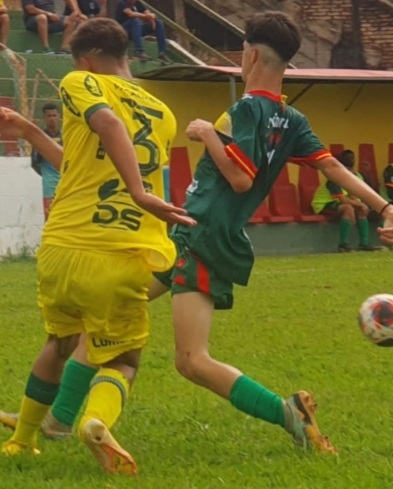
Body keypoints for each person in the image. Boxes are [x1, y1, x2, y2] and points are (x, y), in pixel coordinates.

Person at [3, 10, 393, 458]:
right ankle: (55, 421)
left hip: (201, 239)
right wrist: (384, 206)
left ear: (248, 55)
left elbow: (241, 178)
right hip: (190, 238)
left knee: (191, 361)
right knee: (105, 317)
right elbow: (331, 165)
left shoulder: (245, 110)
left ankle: (289, 412)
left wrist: (208, 134)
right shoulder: (292, 118)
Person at [0, 16, 195, 476]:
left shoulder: (79, 80)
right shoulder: (161, 113)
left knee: (60, 340)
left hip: (65, 247)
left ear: (85, 59)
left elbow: (105, 122)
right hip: (123, 252)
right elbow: (95, 153)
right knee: (123, 358)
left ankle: (22, 441)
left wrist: (137, 189)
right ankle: (95, 420)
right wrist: (31, 131)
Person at [312, 150, 378, 252]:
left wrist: (360, 204)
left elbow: (351, 195)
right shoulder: (334, 179)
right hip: (323, 204)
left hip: (338, 203)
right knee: (348, 208)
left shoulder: (352, 179)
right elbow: (342, 200)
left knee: (360, 209)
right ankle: (343, 245)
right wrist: (359, 204)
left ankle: (364, 244)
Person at [31, 103, 62, 220]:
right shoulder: (40, 138)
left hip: (67, 185)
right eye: (49, 116)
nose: (52, 119)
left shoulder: (66, 137)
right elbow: (34, 163)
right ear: (44, 117)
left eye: (54, 115)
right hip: (49, 188)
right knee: (50, 219)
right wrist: (46, 175)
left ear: (58, 116)